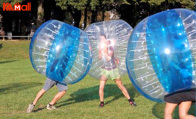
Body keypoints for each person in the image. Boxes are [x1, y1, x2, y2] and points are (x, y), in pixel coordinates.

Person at [98, 34, 136, 107]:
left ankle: (130, 101)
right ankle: (102, 102)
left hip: (113, 69)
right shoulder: (101, 47)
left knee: (120, 86)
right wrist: (101, 51)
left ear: (106, 39)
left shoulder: (110, 47)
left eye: (103, 39)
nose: (102, 41)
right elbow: (99, 58)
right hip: (104, 69)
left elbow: (109, 58)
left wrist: (104, 51)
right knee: (101, 87)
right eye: (101, 39)